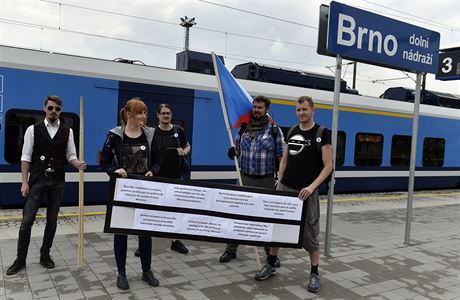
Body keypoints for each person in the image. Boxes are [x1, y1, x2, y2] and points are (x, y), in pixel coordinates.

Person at [254, 96, 333, 294]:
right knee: (277, 228)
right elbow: (284, 159)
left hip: (307, 192)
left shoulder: (322, 133)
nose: (301, 113)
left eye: (304, 109)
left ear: (313, 110)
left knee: (310, 234)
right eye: (298, 110)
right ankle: (271, 264)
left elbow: (329, 166)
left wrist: (312, 187)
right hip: (286, 189)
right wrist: (280, 181)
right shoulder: (292, 131)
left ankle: (314, 273)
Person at [6, 95, 86, 275]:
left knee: (52, 220)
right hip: (37, 180)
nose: (54, 112)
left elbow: (70, 156)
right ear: (44, 109)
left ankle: (45, 255)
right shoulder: (32, 130)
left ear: (60, 111)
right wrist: (24, 182)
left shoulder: (68, 131)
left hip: (57, 181)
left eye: (57, 109)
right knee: (27, 221)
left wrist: (77, 164)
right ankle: (20, 259)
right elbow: (25, 157)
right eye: (50, 108)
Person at [100, 98, 159, 290]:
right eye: (140, 113)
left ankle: (146, 270)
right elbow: (105, 161)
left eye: (145, 113)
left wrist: (153, 171)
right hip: (122, 191)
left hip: (144, 190)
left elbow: (158, 161)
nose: (143, 116)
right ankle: (121, 273)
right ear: (128, 114)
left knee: (145, 233)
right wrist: (114, 171)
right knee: (121, 232)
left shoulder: (150, 135)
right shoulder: (114, 136)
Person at [219, 95, 285, 266]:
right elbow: (238, 149)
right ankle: (230, 250)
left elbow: (282, 156)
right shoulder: (244, 128)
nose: (256, 110)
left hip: (266, 181)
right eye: (255, 107)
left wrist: (281, 179)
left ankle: (271, 255)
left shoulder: (274, 130)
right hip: (244, 178)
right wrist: (232, 152)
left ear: (266, 109)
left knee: (266, 220)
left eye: (260, 107)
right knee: (237, 216)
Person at [152, 103, 191, 254]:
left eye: (168, 113)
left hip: (175, 177)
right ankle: (144, 243)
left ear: (171, 114)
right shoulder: (152, 132)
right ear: (158, 115)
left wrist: (184, 152)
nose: (166, 116)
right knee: (153, 210)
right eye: (163, 113)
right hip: (157, 177)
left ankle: (175, 241)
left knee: (175, 210)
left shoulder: (178, 131)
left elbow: (187, 146)